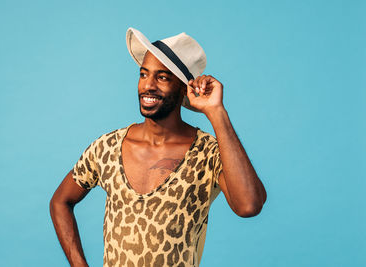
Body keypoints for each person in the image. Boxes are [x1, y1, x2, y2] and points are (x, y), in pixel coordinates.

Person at [50, 27, 267, 267]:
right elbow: (60, 202)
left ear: (184, 87)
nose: (148, 86)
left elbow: (249, 205)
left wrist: (216, 113)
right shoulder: (108, 147)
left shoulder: (207, 153)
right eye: (144, 74)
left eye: (162, 77)